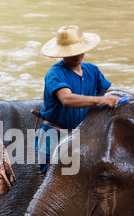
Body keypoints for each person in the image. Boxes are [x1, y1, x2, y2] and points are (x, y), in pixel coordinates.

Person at [36, 25, 119, 173]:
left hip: (81, 137)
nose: (77, 55)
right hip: (54, 137)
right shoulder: (55, 73)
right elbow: (67, 99)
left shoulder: (92, 70)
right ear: (62, 53)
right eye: (72, 52)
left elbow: (111, 93)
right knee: (53, 183)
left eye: (79, 50)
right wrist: (99, 100)